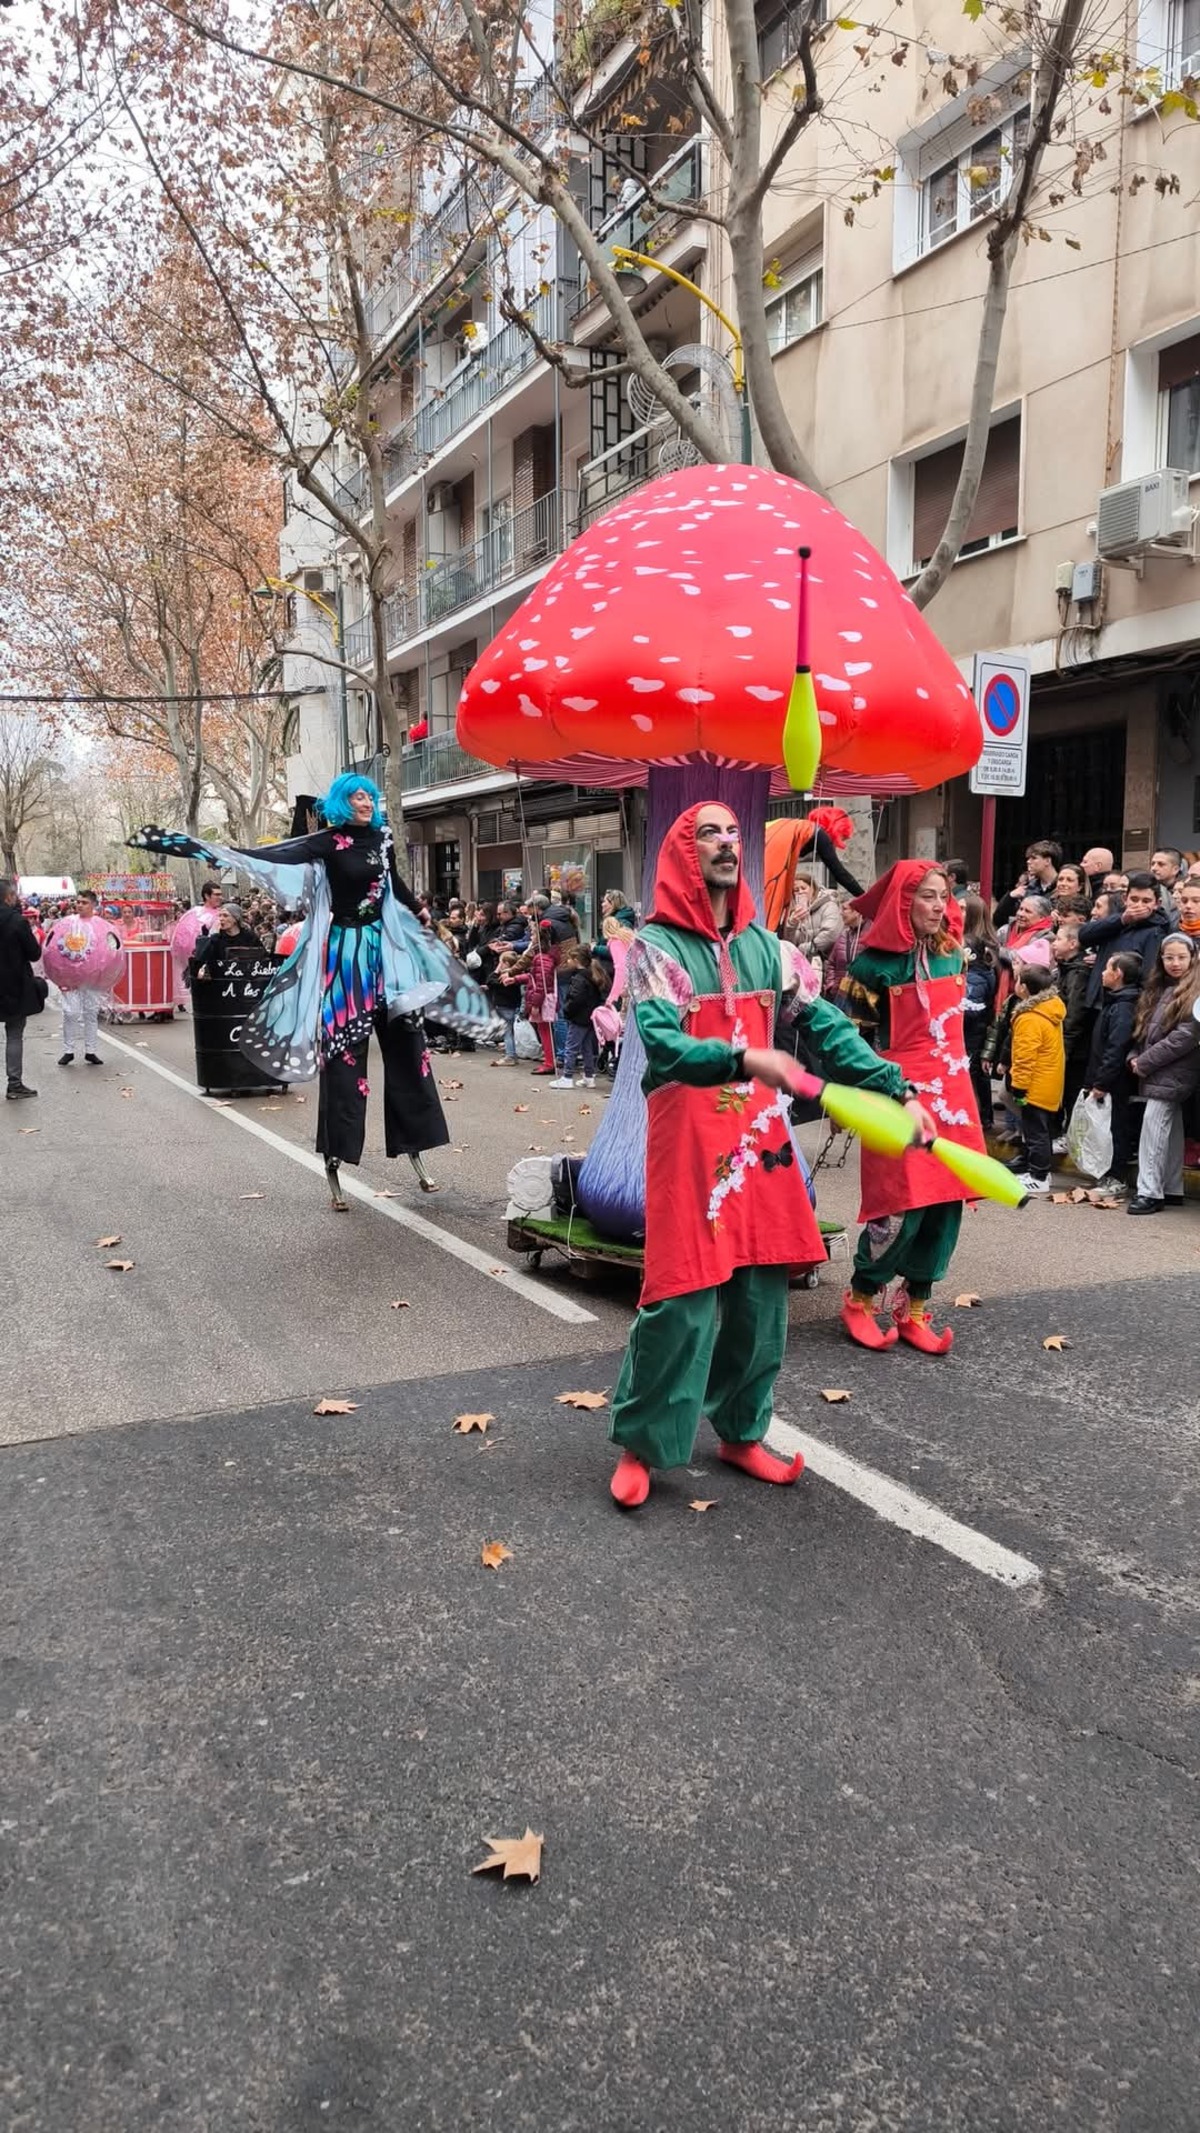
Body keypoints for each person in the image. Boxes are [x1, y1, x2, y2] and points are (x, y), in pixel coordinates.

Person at [606, 801, 930, 1510]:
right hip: (688, 1143)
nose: (725, 842)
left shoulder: (769, 949)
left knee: (762, 1300)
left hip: (759, 1144)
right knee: (680, 1300)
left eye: (732, 831)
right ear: (683, 854)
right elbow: (661, 1044)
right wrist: (745, 1054)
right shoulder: (656, 950)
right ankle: (644, 1441)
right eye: (708, 833)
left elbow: (831, 1029)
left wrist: (896, 1086)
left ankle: (740, 1430)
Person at [129, 776, 491, 1209]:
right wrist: (202, 848)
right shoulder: (327, 842)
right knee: (344, 1056)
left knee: (409, 1049)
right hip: (346, 956)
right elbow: (271, 856)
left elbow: (392, 881)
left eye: (370, 797)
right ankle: (336, 1159)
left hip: (388, 953)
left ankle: (416, 1147)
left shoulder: (382, 837)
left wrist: (420, 912)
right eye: (358, 796)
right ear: (342, 802)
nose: (366, 802)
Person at [838, 862, 986, 1354]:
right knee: (901, 1204)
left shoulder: (952, 955)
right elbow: (849, 1042)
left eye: (944, 896)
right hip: (896, 1093)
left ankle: (915, 1305)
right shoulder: (870, 967)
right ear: (903, 902)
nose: (938, 906)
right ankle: (862, 1298)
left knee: (945, 1203)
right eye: (926, 896)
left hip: (953, 1091)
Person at [1126, 934, 1200, 1213]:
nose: (1175, 963)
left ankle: (1149, 1192)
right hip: (1161, 1067)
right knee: (1171, 1128)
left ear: (1192, 958)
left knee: (1153, 1128)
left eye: (1181, 957)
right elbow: (1145, 1030)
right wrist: (1136, 1055)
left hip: (1176, 1068)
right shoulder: (1159, 986)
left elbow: (1185, 1037)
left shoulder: (1195, 990)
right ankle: (1171, 1187)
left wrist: (1143, 1062)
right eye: (1169, 957)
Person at [1085, 950, 1143, 1197]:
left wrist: (1102, 1082)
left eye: (1107, 968)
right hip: (1107, 1077)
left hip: (1114, 1081)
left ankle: (1116, 1177)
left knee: (1115, 1129)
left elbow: (1116, 1047)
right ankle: (1107, 1174)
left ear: (1118, 974)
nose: (1102, 973)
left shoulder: (1123, 1007)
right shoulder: (1116, 1002)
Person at [1007, 965, 1065, 1197]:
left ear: (1024, 987)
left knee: (1035, 1132)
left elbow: (1024, 1057)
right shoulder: (1050, 1009)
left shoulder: (1030, 1017)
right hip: (1049, 1081)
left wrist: (1019, 1088)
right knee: (1042, 1131)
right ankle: (1037, 1170)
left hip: (1035, 1084)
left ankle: (1039, 1176)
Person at [1078, 873, 1170, 1015]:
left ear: (1157, 904)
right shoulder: (1117, 920)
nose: (1139, 905)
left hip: (1125, 1007)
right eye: (1134, 899)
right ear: (1124, 899)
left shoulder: (1157, 931)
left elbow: (1148, 976)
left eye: (1146, 901)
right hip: (1096, 999)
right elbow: (1084, 935)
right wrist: (1121, 920)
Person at [45, 891, 117, 1067]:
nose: (79, 905)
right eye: (78, 902)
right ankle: (68, 1050)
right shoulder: (66, 924)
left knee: (90, 1014)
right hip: (70, 979)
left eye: (84, 902)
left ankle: (90, 1051)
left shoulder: (102, 926)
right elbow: (53, 947)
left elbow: (111, 949)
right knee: (70, 1013)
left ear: (93, 905)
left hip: (93, 980)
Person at [0, 878, 43, 1100]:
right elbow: (34, 953)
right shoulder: (17, 922)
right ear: (8, 897)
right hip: (13, 986)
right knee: (14, 1033)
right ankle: (14, 1084)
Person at [1052, 921, 1093, 1149]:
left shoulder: (1079, 973)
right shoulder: (1065, 969)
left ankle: (1067, 1136)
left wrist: (1063, 1047)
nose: (1054, 944)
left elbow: (1075, 1012)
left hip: (1074, 1046)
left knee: (1071, 1092)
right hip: (1064, 1042)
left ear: (1073, 943)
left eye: (1058, 939)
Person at [962, 892, 999, 1130]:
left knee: (974, 1072)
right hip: (968, 1027)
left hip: (973, 1027)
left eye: (964, 909)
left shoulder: (978, 952)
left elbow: (972, 1002)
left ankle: (983, 1120)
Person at [553, 943, 603, 1089]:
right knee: (586, 1047)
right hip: (590, 1018)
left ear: (576, 960)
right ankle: (589, 1076)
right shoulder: (593, 975)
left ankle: (567, 1076)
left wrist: (567, 1011)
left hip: (578, 1018)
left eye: (569, 959)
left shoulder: (578, 979)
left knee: (571, 1046)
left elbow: (575, 999)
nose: (567, 962)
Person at [522, 923, 561, 1076]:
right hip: (546, 996)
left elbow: (541, 983)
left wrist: (536, 1004)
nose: (531, 937)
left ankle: (549, 1062)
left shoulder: (542, 957)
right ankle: (549, 1060)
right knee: (544, 1030)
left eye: (533, 934)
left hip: (543, 999)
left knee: (544, 1030)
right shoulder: (547, 956)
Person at [993, 840, 1061, 927]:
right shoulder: (1027, 888)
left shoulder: (1064, 887)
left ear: (1047, 861)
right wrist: (1010, 897)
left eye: (1034, 858)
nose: (1028, 862)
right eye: (1028, 858)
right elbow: (999, 920)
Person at [188, 903, 263, 981]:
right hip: (220, 982)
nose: (221, 919)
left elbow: (262, 958)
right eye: (219, 915)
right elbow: (201, 961)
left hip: (244, 981)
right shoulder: (216, 938)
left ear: (235, 918)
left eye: (225, 916)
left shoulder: (250, 937)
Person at [1150, 847, 1184, 919]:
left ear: (1175, 869)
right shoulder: (1149, 888)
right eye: (1152, 864)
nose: (1154, 868)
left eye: (1161, 864)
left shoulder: (1187, 890)